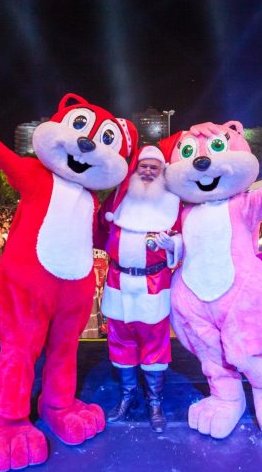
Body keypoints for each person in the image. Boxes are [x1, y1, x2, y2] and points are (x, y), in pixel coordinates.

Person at [96, 145, 182, 432]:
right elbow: (100, 227)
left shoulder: (173, 202)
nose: (146, 171)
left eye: (153, 167)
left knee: (155, 344)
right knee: (120, 342)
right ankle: (128, 396)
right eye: (142, 166)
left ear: (162, 171)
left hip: (154, 284)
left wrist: (174, 245)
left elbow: (186, 238)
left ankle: (154, 401)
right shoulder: (120, 198)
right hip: (118, 282)